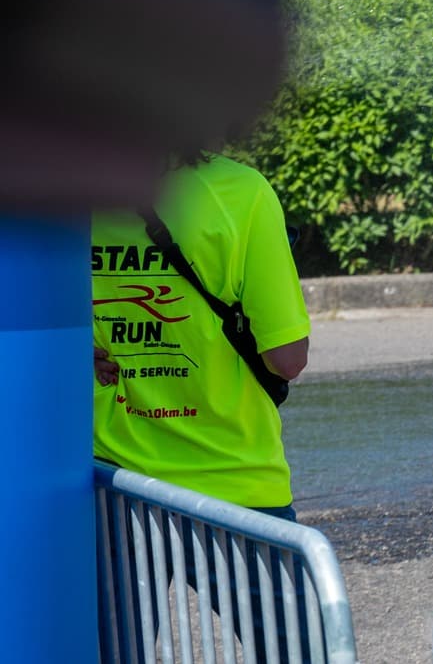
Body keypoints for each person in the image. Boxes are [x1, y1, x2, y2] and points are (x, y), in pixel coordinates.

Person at [92, 154, 311, 656]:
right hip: (235, 480)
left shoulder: (64, 197)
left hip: (115, 487)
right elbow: (286, 359)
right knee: (300, 652)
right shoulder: (240, 191)